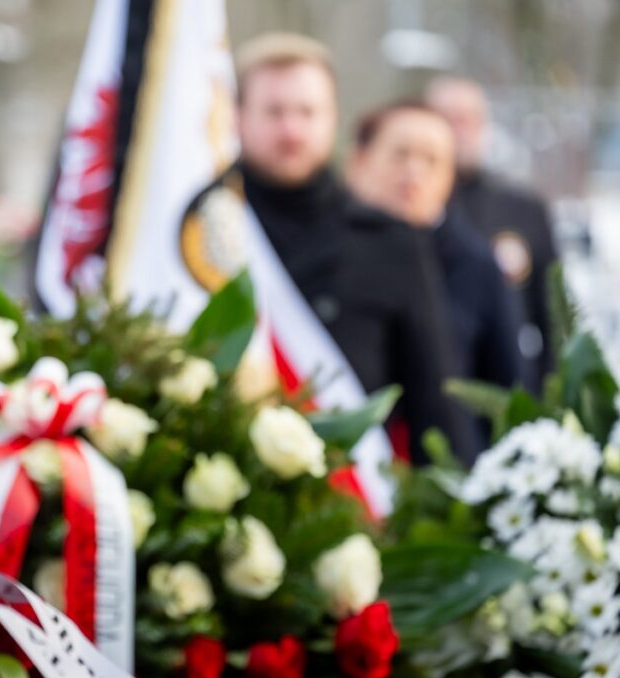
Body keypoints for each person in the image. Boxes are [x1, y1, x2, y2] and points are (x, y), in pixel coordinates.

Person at [180, 33, 473, 464]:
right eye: (274, 111)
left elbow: (437, 404)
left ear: (333, 117)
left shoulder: (391, 243)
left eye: (307, 112)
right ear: (238, 116)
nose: (291, 130)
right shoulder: (198, 232)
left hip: (352, 490)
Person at [347, 101, 524, 459]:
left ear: (450, 177)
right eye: (400, 154)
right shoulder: (332, 250)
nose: (413, 171)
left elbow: (509, 388)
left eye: (431, 160)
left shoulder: (477, 266)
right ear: (361, 161)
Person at [426, 76, 558, 390]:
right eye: (447, 119)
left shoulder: (523, 210)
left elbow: (553, 315)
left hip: (506, 386)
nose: (459, 131)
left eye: (468, 119)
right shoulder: (410, 209)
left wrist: (547, 393)